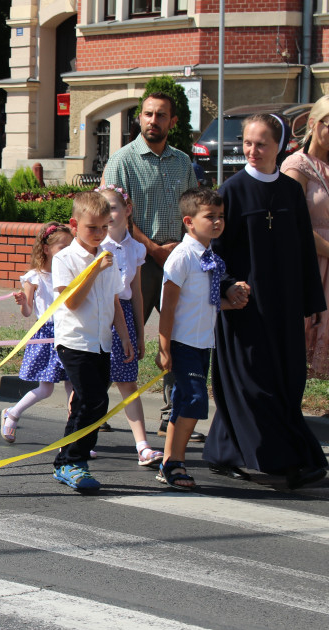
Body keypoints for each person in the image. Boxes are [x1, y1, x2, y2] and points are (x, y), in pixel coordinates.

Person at [203, 113, 329, 489]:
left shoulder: (290, 192)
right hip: (246, 306)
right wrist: (226, 286)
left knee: (287, 379)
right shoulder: (231, 191)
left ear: (280, 146)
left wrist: (313, 304)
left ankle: (225, 450)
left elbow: (305, 251)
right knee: (252, 382)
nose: (252, 151)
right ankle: (275, 458)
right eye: (247, 143)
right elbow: (214, 250)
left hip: (286, 306)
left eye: (261, 144)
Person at [102, 91, 198, 441]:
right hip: (134, 263)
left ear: (172, 122)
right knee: (116, 336)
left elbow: (193, 211)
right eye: (147, 114)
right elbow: (110, 217)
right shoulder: (122, 161)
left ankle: (173, 413)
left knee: (177, 336)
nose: (153, 121)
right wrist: (154, 249)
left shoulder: (183, 162)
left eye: (160, 115)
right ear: (139, 118)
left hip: (176, 262)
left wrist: (182, 248)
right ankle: (94, 407)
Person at [157, 188, 247, 490]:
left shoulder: (209, 256)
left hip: (202, 342)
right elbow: (168, 306)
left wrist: (229, 302)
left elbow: (203, 301)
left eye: (221, 217)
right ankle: (175, 462)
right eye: (210, 217)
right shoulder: (182, 258)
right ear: (189, 221)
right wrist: (164, 348)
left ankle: (169, 462)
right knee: (195, 400)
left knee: (184, 400)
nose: (218, 222)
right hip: (183, 342)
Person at [50, 192, 130, 492]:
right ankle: (75, 461)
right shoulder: (65, 259)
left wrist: (123, 335)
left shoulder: (108, 256)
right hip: (75, 341)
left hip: (101, 342)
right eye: (91, 228)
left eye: (104, 227)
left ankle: (65, 459)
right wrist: (94, 270)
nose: (98, 234)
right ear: (74, 225)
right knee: (95, 400)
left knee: (87, 402)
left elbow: (114, 300)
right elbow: (71, 302)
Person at [97, 186, 164, 466]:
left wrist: (139, 332)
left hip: (123, 314)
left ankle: (142, 445)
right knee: (90, 383)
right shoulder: (96, 245)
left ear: (128, 209)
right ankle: (78, 438)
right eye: (102, 209)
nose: (108, 214)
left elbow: (136, 292)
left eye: (112, 207)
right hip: (99, 314)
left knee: (128, 381)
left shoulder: (136, 249)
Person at [0, 222, 73, 443]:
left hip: (69, 332)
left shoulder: (71, 273)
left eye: (70, 247)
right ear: (46, 248)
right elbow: (28, 312)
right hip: (47, 335)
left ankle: (75, 438)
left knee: (74, 388)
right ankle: (12, 414)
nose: (67, 252)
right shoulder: (34, 277)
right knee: (46, 388)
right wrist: (23, 302)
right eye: (62, 247)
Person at [282, 94, 329, 378]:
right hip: (312, 262)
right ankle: (287, 411)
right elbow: (292, 224)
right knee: (302, 338)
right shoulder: (296, 165)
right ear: (313, 123)